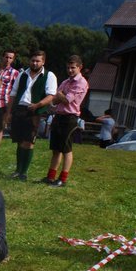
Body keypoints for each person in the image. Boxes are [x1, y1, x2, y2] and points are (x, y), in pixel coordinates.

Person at [7, 50, 57, 181]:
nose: (35, 63)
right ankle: (18, 170)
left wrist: (38, 105)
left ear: (43, 62)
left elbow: (51, 96)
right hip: (19, 109)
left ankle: (23, 172)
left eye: (38, 61)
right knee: (19, 141)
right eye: (33, 60)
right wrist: (9, 112)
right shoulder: (22, 74)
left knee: (29, 142)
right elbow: (13, 94)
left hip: (34, 111)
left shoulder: (49, 75)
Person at [43, 55, 88, 187]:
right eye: (68, 68)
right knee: (56, 149)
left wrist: (60, 96)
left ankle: (63, 178)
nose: (70, 70)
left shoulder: (81, 82)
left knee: (66, 149)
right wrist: (60, 96)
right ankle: (50, 177)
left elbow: (67, 100)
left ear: (80, 67)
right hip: (59, 116)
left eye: (73, 68)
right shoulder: (66, 81)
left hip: (70, 118)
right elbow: (54, 100)